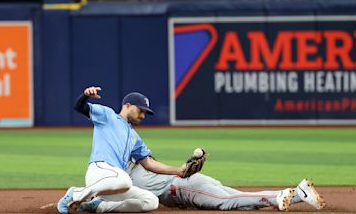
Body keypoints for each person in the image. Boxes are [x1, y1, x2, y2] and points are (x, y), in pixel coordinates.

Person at [57, 86, 186, 214]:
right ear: (127, 105)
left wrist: (179, 171)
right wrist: (85, 95)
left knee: (150, 201)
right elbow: (80, 107)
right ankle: (76, 193)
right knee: (124, 180)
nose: (143, 116)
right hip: (100, 171)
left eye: (144, 112)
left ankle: (98, 206)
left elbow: (149, 164)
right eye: (140, 110)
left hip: (115, 183)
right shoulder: (107, 115)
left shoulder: (135, 137)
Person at [77, 160, 326, 212]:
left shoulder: (127, 173)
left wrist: (79, 202)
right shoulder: (132, 169)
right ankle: (299, 193)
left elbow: (112, 196)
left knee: (227, 202)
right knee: (237, 199)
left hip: (185, 188)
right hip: (188, 186)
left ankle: (276, 198)